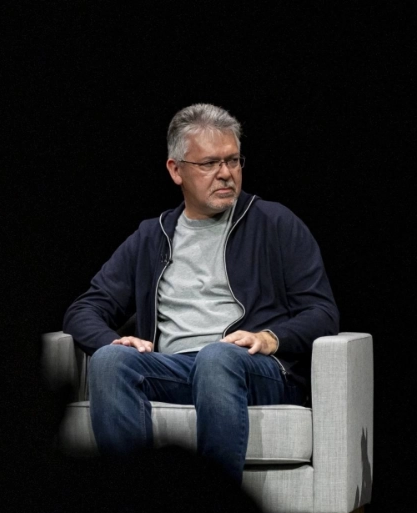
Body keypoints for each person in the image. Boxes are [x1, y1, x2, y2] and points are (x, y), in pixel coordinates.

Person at [64, 103, 339, 481]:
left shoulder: (275, 223)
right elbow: (84, 309)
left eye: (233, 161)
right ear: (176, 170)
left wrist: (272, 337)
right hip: (177, 368)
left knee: (217, 357)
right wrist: (114, 341)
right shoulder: (151, 236)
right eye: (209, 164)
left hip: (253, 370)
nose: (225, 174)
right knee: (109, 362)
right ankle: (131, 511)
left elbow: (322, 311)